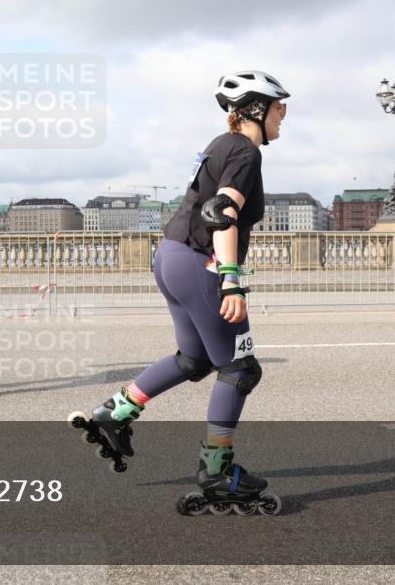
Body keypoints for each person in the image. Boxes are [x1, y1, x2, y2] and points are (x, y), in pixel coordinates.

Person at [74, 71, 288, 514]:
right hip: (200, 263)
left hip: (171, 256)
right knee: (240, 369)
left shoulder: (219, 143)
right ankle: (217, 470)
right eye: (278, 107)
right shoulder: (245, 151)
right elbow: (220, 211)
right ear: (255, 109)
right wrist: (231, 278)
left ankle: (115, 413)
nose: (283, 114)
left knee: (195, 359)